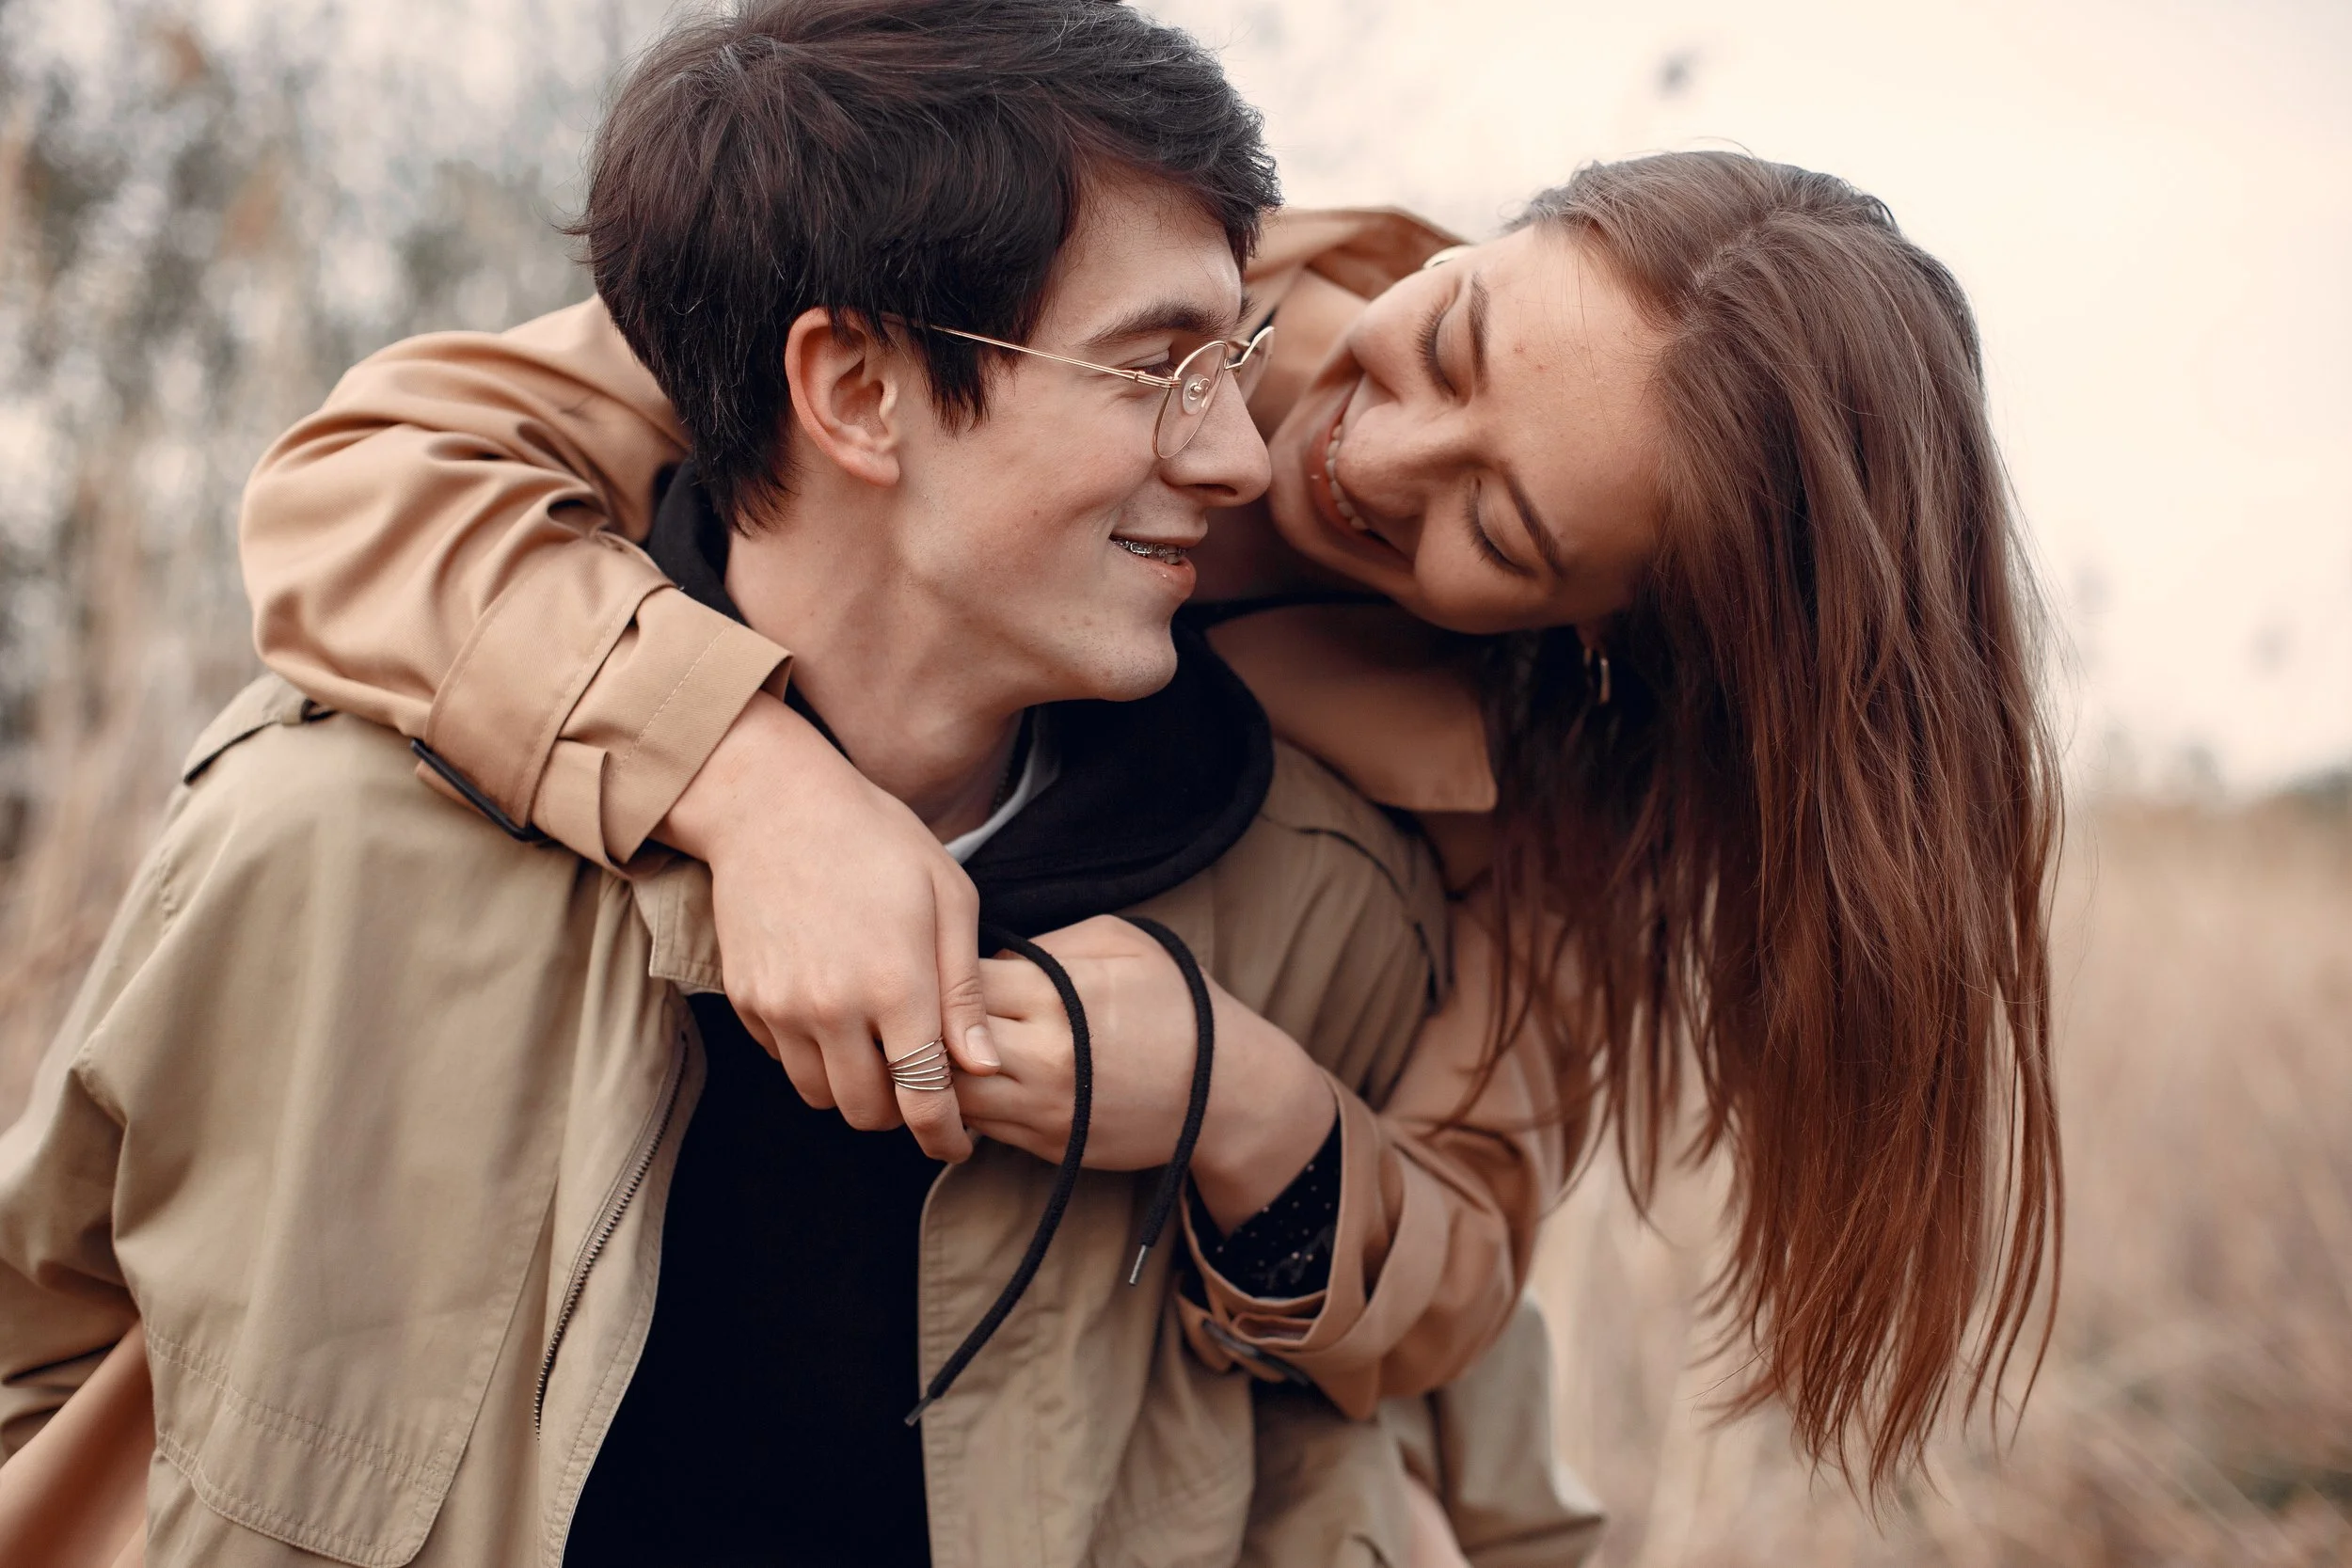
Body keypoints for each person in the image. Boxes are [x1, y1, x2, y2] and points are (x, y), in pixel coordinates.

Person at [237, 129, 2066, 1513]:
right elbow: (374, 480)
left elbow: (1449, 1269)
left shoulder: (1544, 808)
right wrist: (752, 783)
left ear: (1602, 628)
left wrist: (1236, 1097)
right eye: (1448, 340)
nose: (1366, 457)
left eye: (1499, 532)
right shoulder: (1102, 253)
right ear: (1490, 233)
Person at [0, 4, 1602, 1565]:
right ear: (854, 394)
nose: (1250, 454)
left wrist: (1239, 1115)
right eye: (1157, 369)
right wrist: (751, 778)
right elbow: (42, 1353)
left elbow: (1425, 1433)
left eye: (1228, 361)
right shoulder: (316, 841)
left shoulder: (1335, 932)